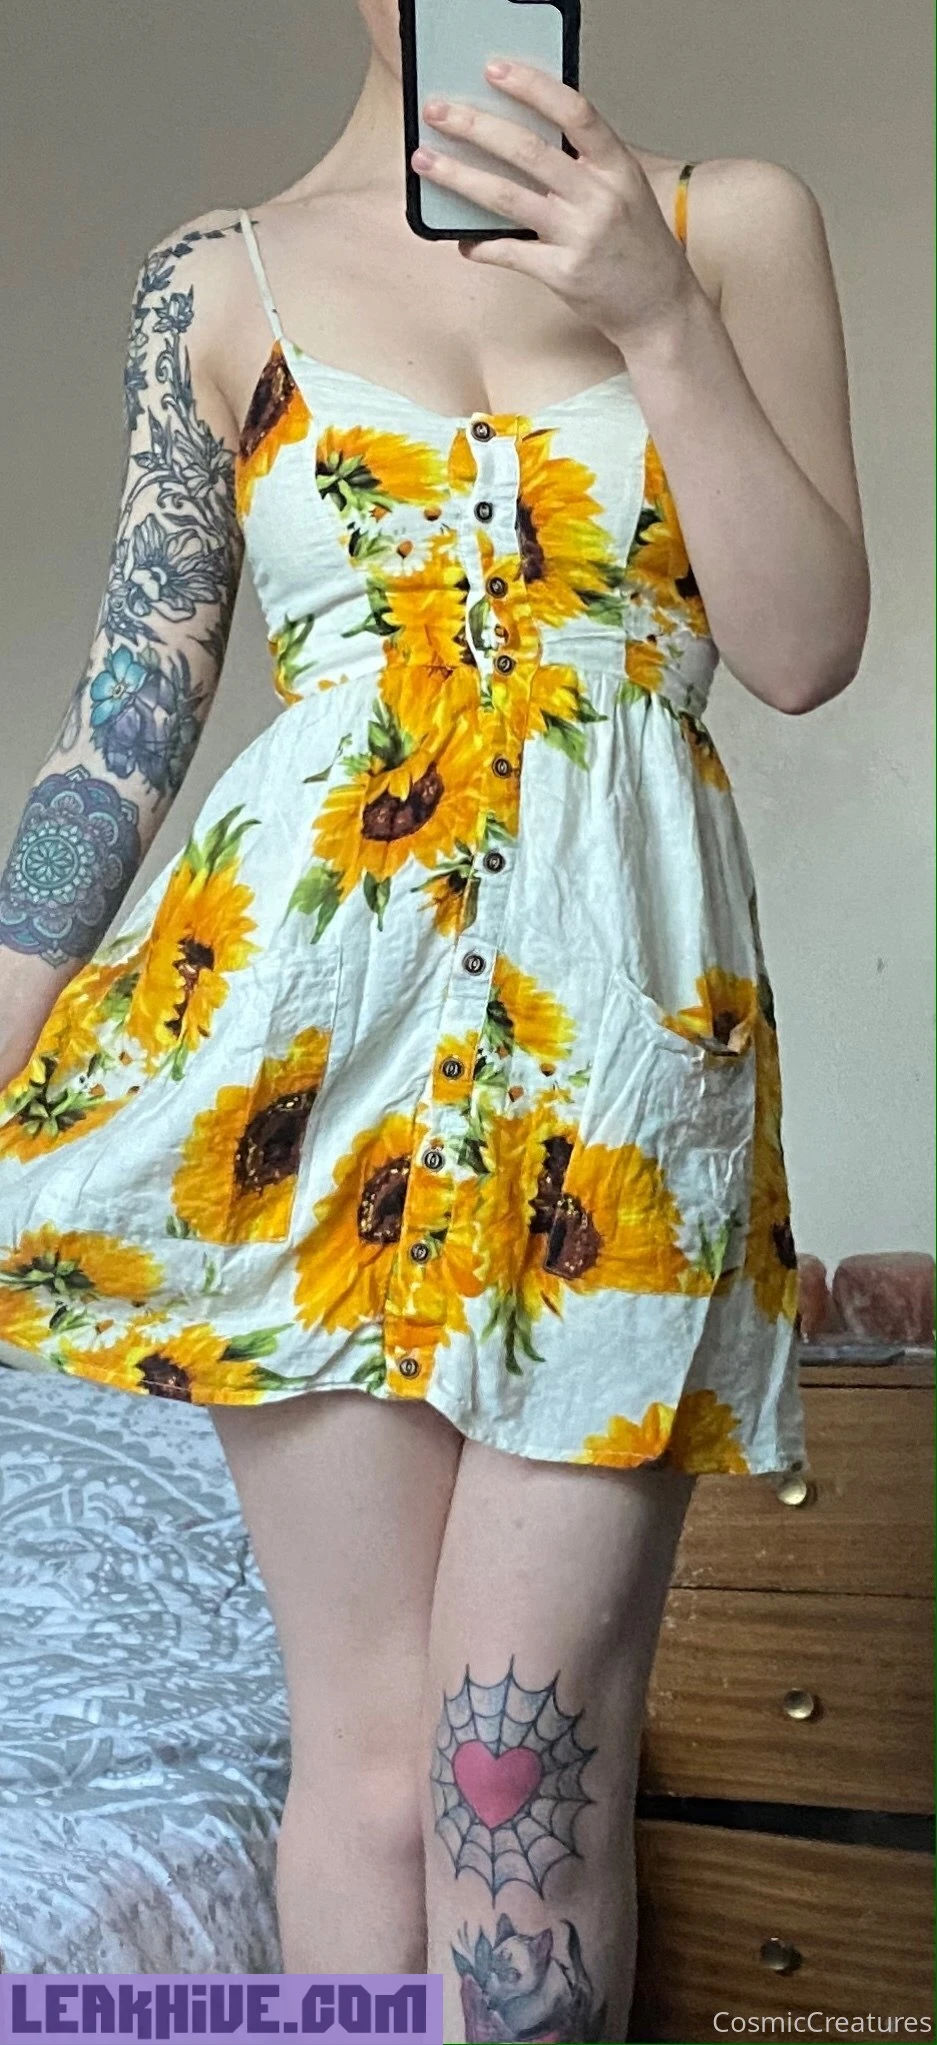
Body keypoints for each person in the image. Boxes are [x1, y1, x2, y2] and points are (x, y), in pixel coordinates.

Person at [0, 0, 869, 2034]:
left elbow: (805, 645)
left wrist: (654, 310)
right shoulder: (216, 283)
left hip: (619, 1085)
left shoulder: (724, 222)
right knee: (381, 1775)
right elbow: (128, 720)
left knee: (524, 1779)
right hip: (291, 1067)